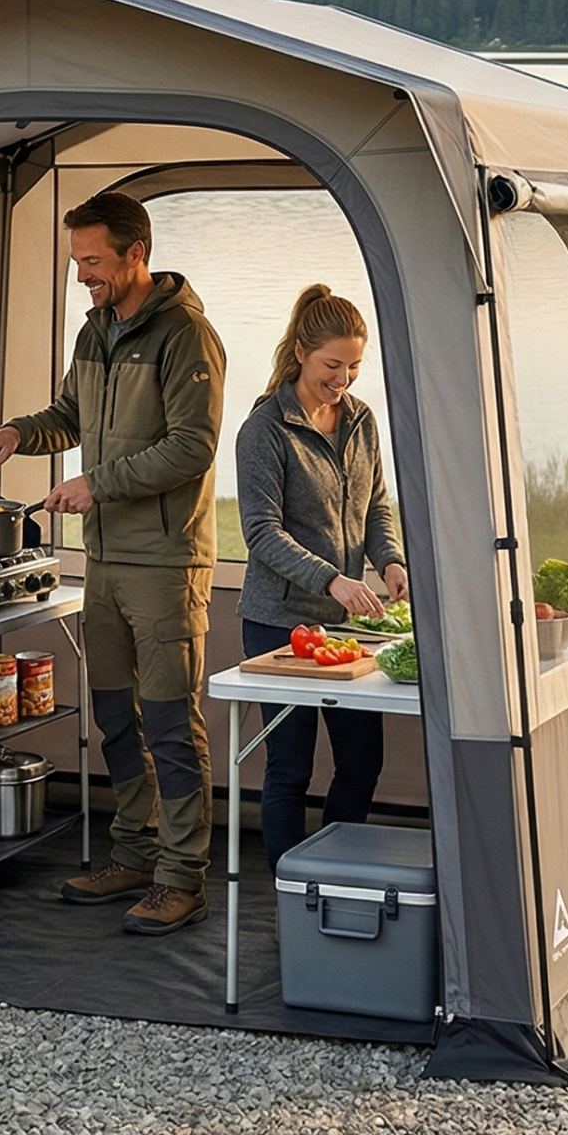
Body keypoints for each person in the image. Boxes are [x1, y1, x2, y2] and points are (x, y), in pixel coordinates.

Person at [0, 191, 226, 936]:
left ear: (135, 254)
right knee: (116, 715)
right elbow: (70, 416)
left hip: (166, 563)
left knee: (171, 722)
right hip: (106, 560)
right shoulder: (96, 331)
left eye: (93, 260)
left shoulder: (187, 336)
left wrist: (98, 483)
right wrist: (20, 431)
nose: (81, 274)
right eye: (76, 261)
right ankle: (134, 853)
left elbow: (193, 447)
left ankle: (184, 876)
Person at [236, 285, 408, 871]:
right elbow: (261, 532)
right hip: (279, 626)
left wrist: (390, 562)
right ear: (301, 353)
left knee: (362, 764)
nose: (344, 378)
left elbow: (375, 504)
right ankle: (291, 894)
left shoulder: (360, 420)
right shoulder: (265, 429)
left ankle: (334, 876)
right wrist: (333, 578)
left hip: (346, 628)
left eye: (355, 365)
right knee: (290, 767)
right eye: (333, 365)